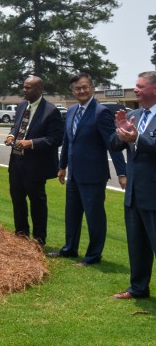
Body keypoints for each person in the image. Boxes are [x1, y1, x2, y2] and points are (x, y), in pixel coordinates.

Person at [50, 73, 126, 265]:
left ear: (92, 88)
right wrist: (62, 166)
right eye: (78, 88)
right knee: (72, 214)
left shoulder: (101, 112)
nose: (82, 91)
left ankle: (93, 256)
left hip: (93, 176)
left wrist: (122, 173)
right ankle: (70, 249)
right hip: (74, 175)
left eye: (85, 87)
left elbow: (113, 145)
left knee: (94, 217)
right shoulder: (72, 111)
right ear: (73, 92)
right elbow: (68, 141)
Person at [110, 70, 156, 299]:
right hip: (135, 194)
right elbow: (114, 145)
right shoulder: (134, 115)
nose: (136, 89)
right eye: (135, 86)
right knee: (137, 246)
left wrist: (137, 138)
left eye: (140, 86)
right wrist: (121, 133)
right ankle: (138, 288)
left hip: (154, 194)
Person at [3, 76, 64, 245]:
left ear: (39, 90)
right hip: (16, 163)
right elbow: (16, 126)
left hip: (36, 166)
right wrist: (10, 135)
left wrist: (32, 143)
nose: (24, 90)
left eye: (28, 87)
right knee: (17, 199)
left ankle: (38, 240)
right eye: (24, 87)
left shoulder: (51, 111)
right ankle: (21, 235)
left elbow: (57, 138)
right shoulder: (22, 105)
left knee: (37, 203)